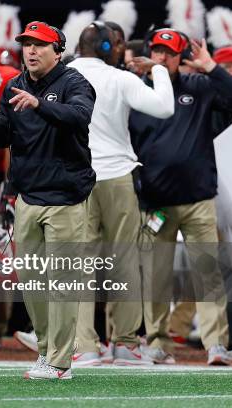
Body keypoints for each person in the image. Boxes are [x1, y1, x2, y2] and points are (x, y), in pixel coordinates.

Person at [0, 20, 96, 379]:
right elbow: (4, 135)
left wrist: (39, 104)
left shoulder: (74, 82)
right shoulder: (14, 84)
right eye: (27, 44)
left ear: (58, 51)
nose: (31, 50)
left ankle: (59, 363)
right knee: (33, 282)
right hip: (28, 197)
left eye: (40, 45)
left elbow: (79, 116)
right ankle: (46, 352)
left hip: (66, 198)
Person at [129, 29, 232, 365]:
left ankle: (215, 345)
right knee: (156, 274)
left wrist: (211, 67)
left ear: (181, 58)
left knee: (207, 272)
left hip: (198, 200)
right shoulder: (137, 89)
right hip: (155, 201)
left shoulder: (199, 87)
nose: (162, 58)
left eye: (170, 53)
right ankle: (158, 342)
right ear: (150, 53)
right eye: (158, 52)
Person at [67, 22, 174, 366]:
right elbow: (164, 107)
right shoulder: (119, 77)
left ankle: (84, 344)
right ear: (103, 47)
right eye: (116, 43)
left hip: (75, 177)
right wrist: (157, 69)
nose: (120, 49)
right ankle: (126, 344)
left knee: (80, 262)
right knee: (125, 260)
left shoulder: (62, 75)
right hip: (116, 175)